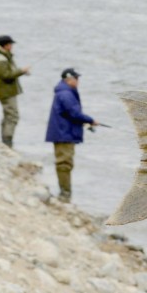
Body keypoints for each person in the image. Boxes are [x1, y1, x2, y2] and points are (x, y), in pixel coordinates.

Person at [45, 67, 97, 201]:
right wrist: (90, 120)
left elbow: (70, 114)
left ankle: (65, 194)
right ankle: (65, 195)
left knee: (65, 163)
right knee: (64, 163)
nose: (78, 81)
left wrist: (85, 122)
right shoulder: (66, 94)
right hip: (64, 134)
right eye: (76, 78)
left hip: (63, 132)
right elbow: (74, 113)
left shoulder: (64, 91)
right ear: (69, 79)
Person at [0, 35, 30, 148]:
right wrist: (21, 71)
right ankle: (7, 142)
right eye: (10, 44)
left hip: (7, 91)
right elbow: (6, 75)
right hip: (6, 92)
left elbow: (9, 72)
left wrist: (21, 71)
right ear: (5, 45)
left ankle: (5, 140)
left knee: (8, 115)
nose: (11, 46)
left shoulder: (4, 56)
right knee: (12, 116)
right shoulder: (1, 58)